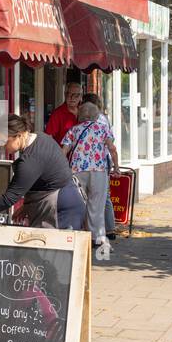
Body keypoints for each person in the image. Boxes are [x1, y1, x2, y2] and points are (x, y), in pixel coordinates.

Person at [0, 114, 85, 230]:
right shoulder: (40, 137)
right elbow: (43, 177)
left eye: (5, 141)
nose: (2, 146)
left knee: (53, 251)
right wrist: (26, 207)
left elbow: (9, 198)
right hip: (69, 198)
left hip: (61, 209)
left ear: (19, 135)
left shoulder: (29, 160)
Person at [60, 101, 119, 257]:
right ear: (95, 115)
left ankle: (77, 238)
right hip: (98, 171)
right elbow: (112, 149)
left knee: (78, 205)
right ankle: (100, 242)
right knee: (97, 207)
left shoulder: (73, 130)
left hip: (77, 170)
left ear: (80, 115)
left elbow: (64, 151)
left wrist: (62, 169)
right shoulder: (102, 128)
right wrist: (116, 167)